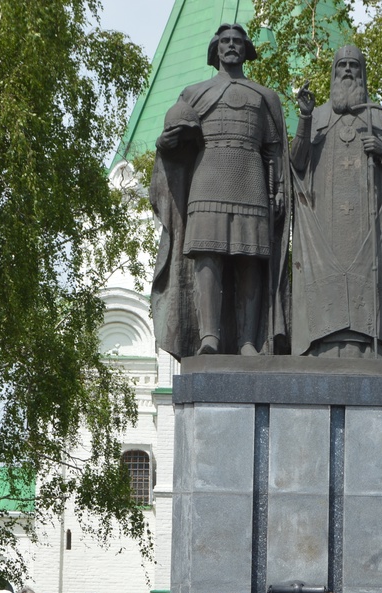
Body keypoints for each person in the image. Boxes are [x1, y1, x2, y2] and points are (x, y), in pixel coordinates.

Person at [151, 23, 288, 358]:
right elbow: (174, 141)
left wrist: (280, 186)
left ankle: (247, 342)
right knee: (208, 257)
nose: (231, 46)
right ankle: (209, 336)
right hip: (207, 177)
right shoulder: (193, 94)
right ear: (215, 49)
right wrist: (164, 143)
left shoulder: (263, 97)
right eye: (225, 41)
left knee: (249, 260)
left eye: (237, 42)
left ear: (246, 49)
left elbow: (274, 149)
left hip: (250, 179)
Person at [290, 45, 382, 362]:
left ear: (362, 74)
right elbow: (296, 162)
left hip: (369, 234)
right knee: (325, 300)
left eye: (353, 66)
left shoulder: (381, 118)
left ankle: (369, 351)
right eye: (341, 66)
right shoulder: (317, 116)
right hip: (323, 233)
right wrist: (305, 117)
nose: (347, 70)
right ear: (333, 73)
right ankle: (321, 350)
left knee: (366, 303)